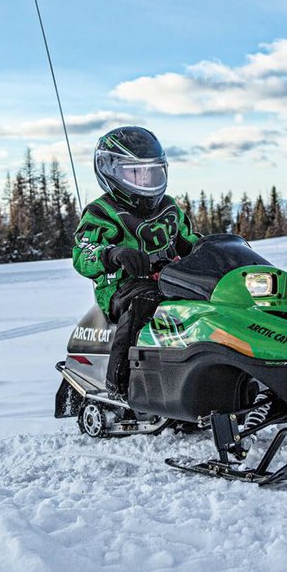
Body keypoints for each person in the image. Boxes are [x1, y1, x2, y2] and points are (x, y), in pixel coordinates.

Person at [72, 126, 199, 397]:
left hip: (174, 280)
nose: (144, 179)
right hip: (122, 287)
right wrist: (112, 254)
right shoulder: (102, 212)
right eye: (135, 171)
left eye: (151, 171)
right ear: (110, 171)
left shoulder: (169, 208)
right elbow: (83, 253)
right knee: (146, 303)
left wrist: (213, 250)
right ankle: (121, 384)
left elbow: (190, 241)